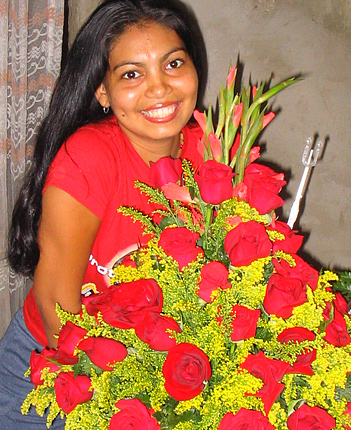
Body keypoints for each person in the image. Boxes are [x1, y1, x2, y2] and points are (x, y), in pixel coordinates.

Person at [0, 0, 206, 428]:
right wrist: (118, 397)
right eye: (132, 73)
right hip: (51, 367)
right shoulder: (90, 158)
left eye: (173, 64)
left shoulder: (212, 153)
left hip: (159, 370)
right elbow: (58, 302)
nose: (160, 88)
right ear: (102, 92)